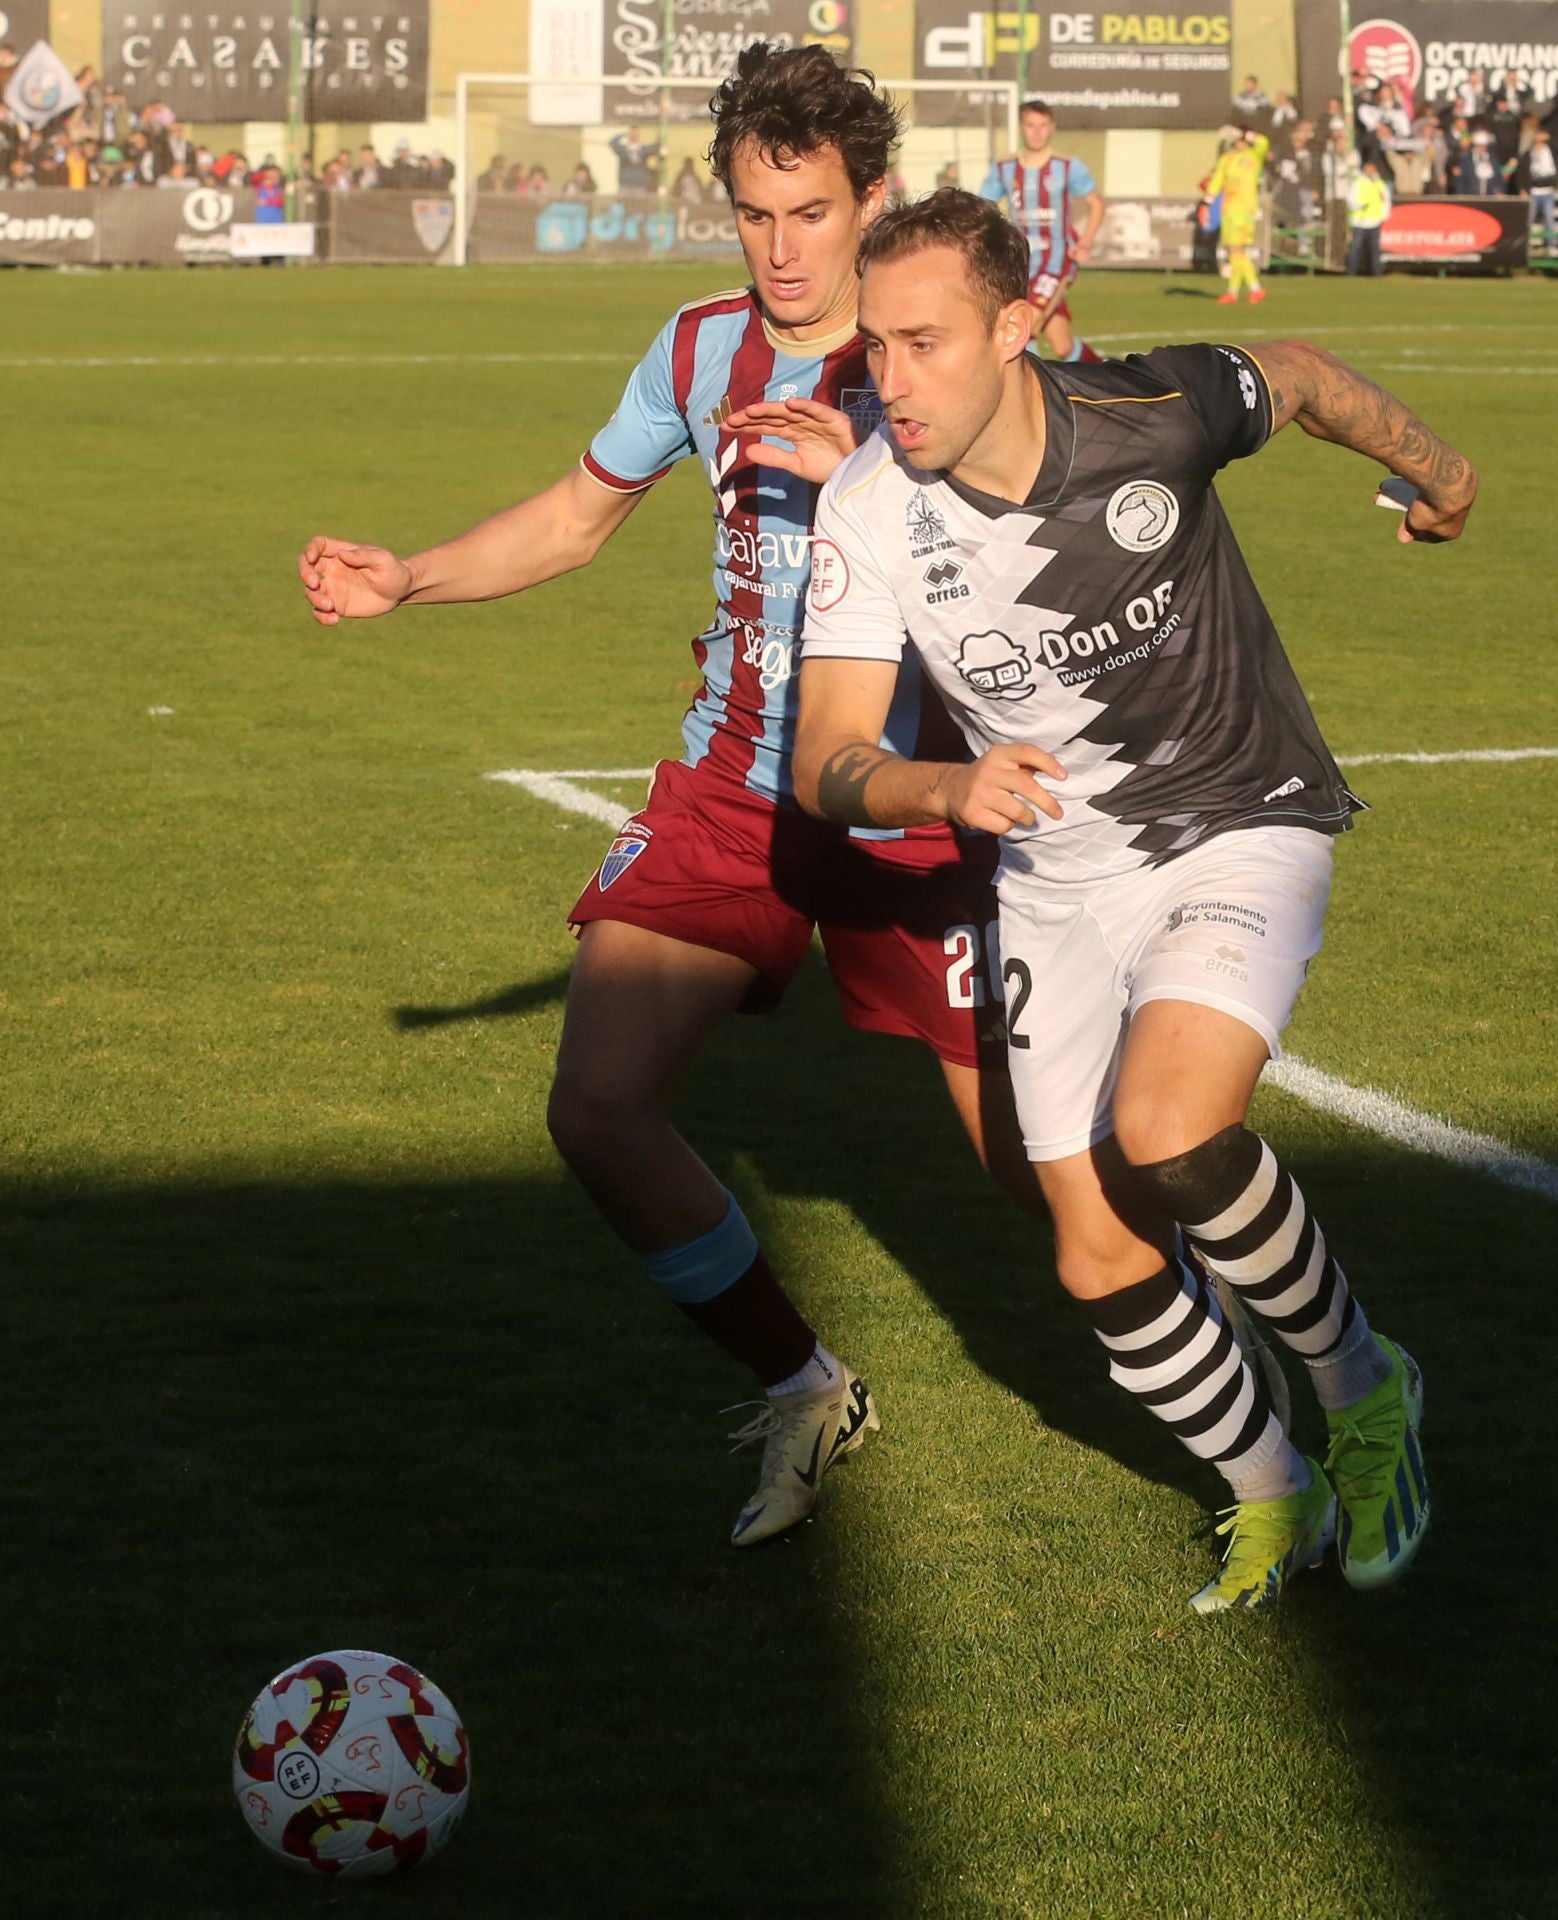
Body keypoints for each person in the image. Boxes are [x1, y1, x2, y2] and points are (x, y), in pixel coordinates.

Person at [296, 47, 1027, 1552]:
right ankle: (807, 1386)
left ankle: (1301, 1383)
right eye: (754, 213)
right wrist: (412, 576)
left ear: (871, 198)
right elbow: (578, 515)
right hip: (734, 789)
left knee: (1047, 1183)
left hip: (916, 801)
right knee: (600, 1108)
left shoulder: (929, 357)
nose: (780, 249)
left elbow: (1045, 557)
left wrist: (877, 487)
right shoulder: (699, 350)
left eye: (810, 212)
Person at [792, 188, 1475, 1611]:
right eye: (874, 348)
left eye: (922, 344)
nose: (887, 381)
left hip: (1238, 817)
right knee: (1095, 1250)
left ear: (1021, 326)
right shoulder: (865, 508)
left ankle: (1363, 1389)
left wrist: (1441, 470)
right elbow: (827, 758)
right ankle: (1269, 1490)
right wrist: (938, 794)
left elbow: (1298, 373)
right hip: (1053, 875)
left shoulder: (1152, 411)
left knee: (1171, 1130)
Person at [979, 99, 1104, 363]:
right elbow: (983, 206)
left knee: (1026, 325)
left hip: (1056, 263)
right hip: (1020, 263)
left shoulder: (1067, 166)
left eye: (1043, 125)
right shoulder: (1005, 168)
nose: (1037, 132)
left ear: (1052, 128)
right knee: (1063, 346)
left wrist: (1084, 244)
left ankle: (1029, 391)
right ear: (1022, 128)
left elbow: (1096, 204)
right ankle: (1104, 373)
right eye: (1031, 125)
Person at [1207, 127, 1270, 304]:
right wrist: (1208, 199)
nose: (1239, 142)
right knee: (1236, 251)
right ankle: (1242, 291)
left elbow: (1264, 142)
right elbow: (1217, 179)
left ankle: (1245, 290)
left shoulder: (1253, 156)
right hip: (1228, 209)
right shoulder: (1227, 159)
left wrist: (1244, 132)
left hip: (1245, 209)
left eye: (1241, 139)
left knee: (1236, 249)